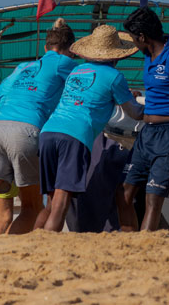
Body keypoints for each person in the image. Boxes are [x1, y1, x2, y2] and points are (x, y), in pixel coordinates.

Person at [0, 18, 77, 238]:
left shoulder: (21, 68)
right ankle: (3, 251)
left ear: (45, 48)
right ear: (70, 50)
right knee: (32, 208)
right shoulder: (62, 61)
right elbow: (90, 80)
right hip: (24, 131)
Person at [34, 24, 144, 232]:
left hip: (48, 132)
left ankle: (32, 241)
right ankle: (48, 241)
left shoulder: (77, 70)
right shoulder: (114, 76)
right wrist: (157, 109)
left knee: (51, 203)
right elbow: (134, 112)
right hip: (74, 136)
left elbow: (90, 95)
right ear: (117, 55)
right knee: (62, 202)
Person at [120, 7, 169, 231]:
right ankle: (126, 241)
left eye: (133, 38)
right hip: (146, 134)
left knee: (153, 199)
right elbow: (158, 89)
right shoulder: (148, 57)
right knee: (125, 190)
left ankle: (146, 244)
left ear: (142, 37)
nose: (133, 44)